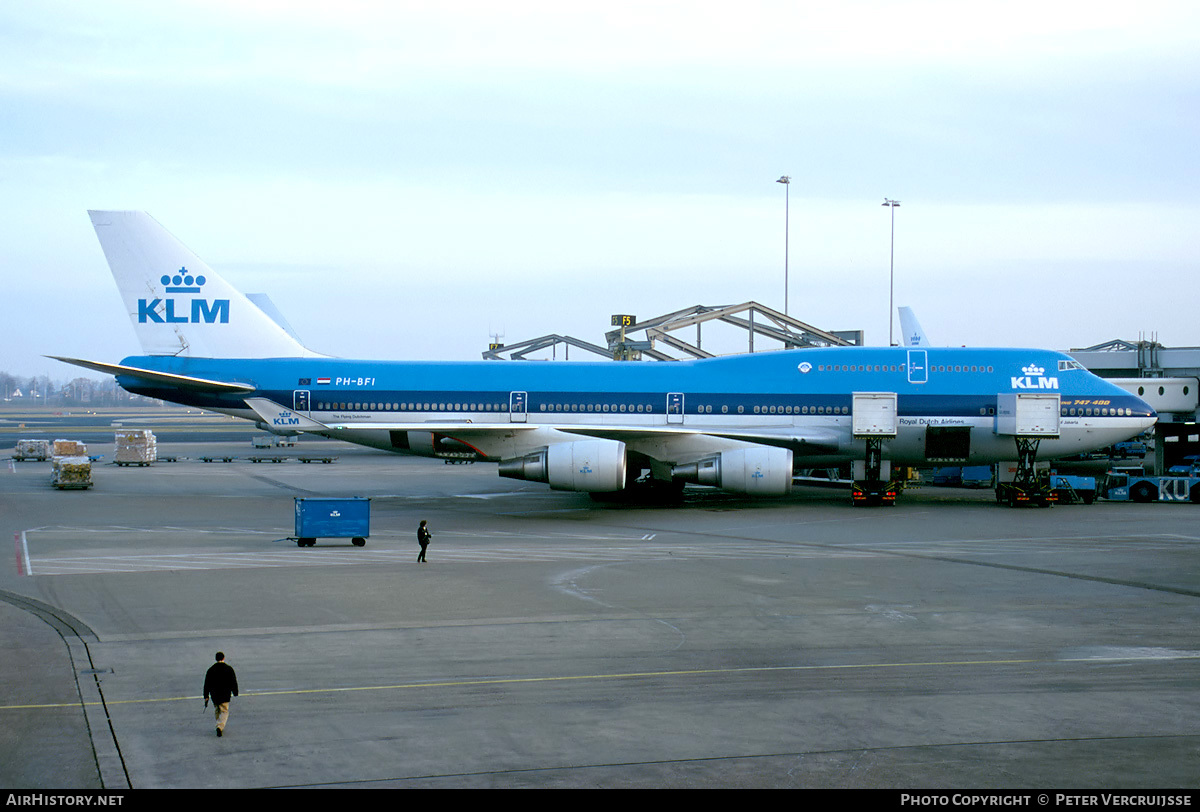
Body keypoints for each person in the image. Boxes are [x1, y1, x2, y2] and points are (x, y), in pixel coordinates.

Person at [203, 651, 239, 737]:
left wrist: (206, 696)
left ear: (216, 659)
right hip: (225, 694)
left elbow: (207, 684)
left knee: (217, 709)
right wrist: (235, 692)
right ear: (223, 658)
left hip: (214, 695)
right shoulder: (229, 669)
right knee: (224, 711)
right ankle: (219, 726)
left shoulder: (211, 669)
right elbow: (233, 681)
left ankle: (218, 723)